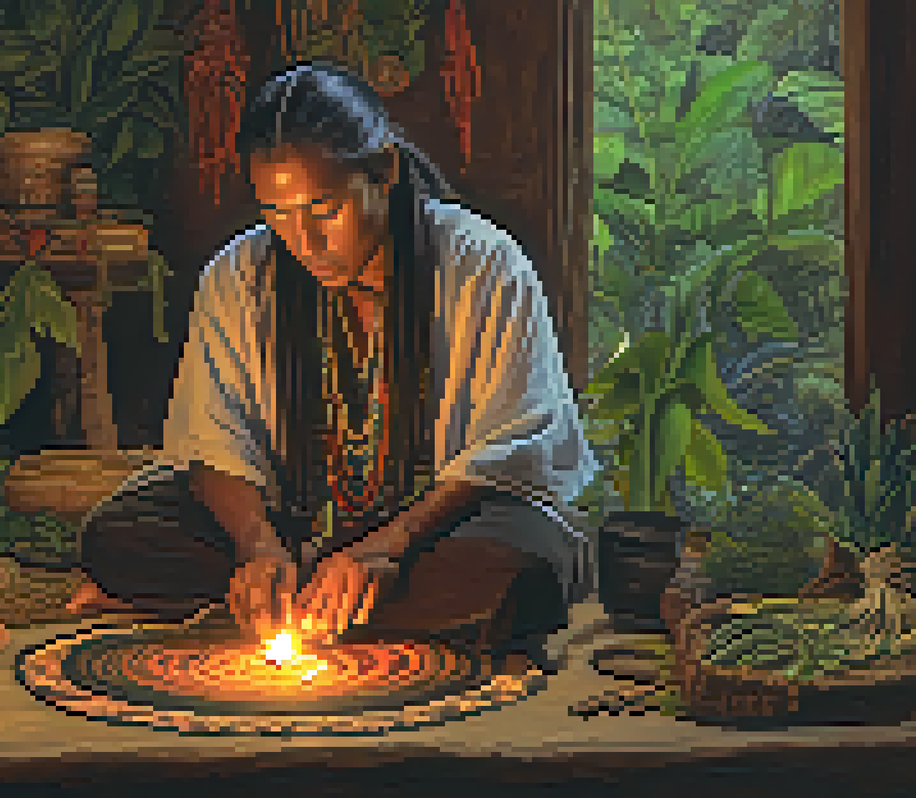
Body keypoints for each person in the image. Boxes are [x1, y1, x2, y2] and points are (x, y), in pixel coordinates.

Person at [66, 63, 599, 666]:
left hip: (431, 533)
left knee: (525, 564)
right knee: (118, 534)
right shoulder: (241, 274)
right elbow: (212, 437)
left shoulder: (481, 265)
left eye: (324, 210)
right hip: (293, 528)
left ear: (385, 172)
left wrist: (387, 546)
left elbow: (511, 449)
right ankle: (355, 607)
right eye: (277, 213)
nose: (303, 241)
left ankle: (298, 604)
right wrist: (258, 550)